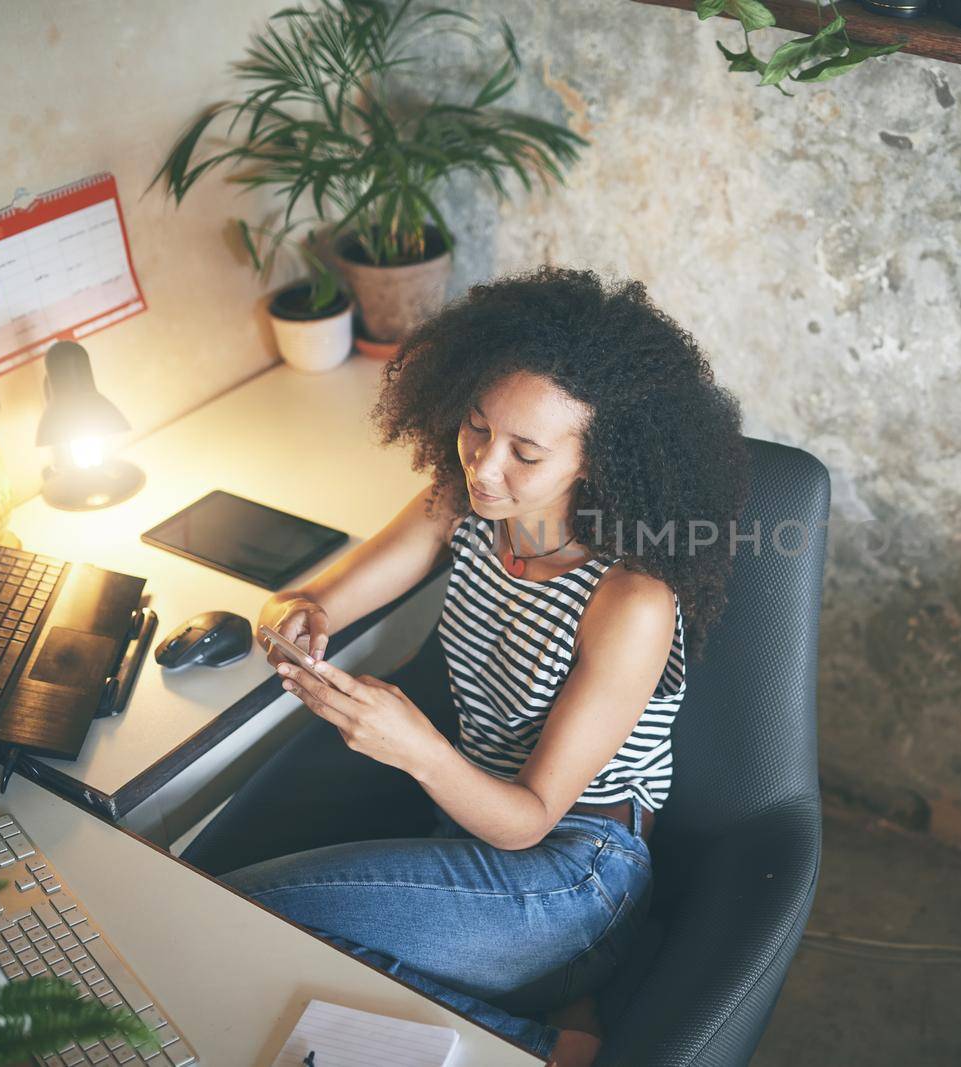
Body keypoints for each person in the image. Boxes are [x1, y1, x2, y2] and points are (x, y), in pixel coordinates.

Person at [180, 266, 749, 1067]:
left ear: (599, 458)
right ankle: (559, 1016)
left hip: (575, 871)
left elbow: (532, 815)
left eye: (526, 452)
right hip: (470, 840)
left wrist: (414, 746)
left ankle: (543, 1047)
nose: (484, 466)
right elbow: (325, 597)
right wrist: (297, 617)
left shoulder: (630, 600)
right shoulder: (466, 502)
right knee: (266, 946)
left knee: (237, 913)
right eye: (477, 427)